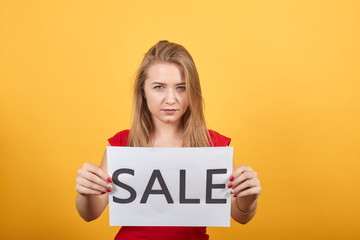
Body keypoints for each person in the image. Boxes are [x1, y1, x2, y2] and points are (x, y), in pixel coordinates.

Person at [75, 40, 261, 240]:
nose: (171, 99)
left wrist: (248, 197)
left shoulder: (213, 145)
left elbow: (240, 216)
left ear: (192, 91)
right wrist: (86, 192)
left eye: (181, 88)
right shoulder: (122, 144)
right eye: (159, 87)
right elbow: (90, 214)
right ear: (143, 91)